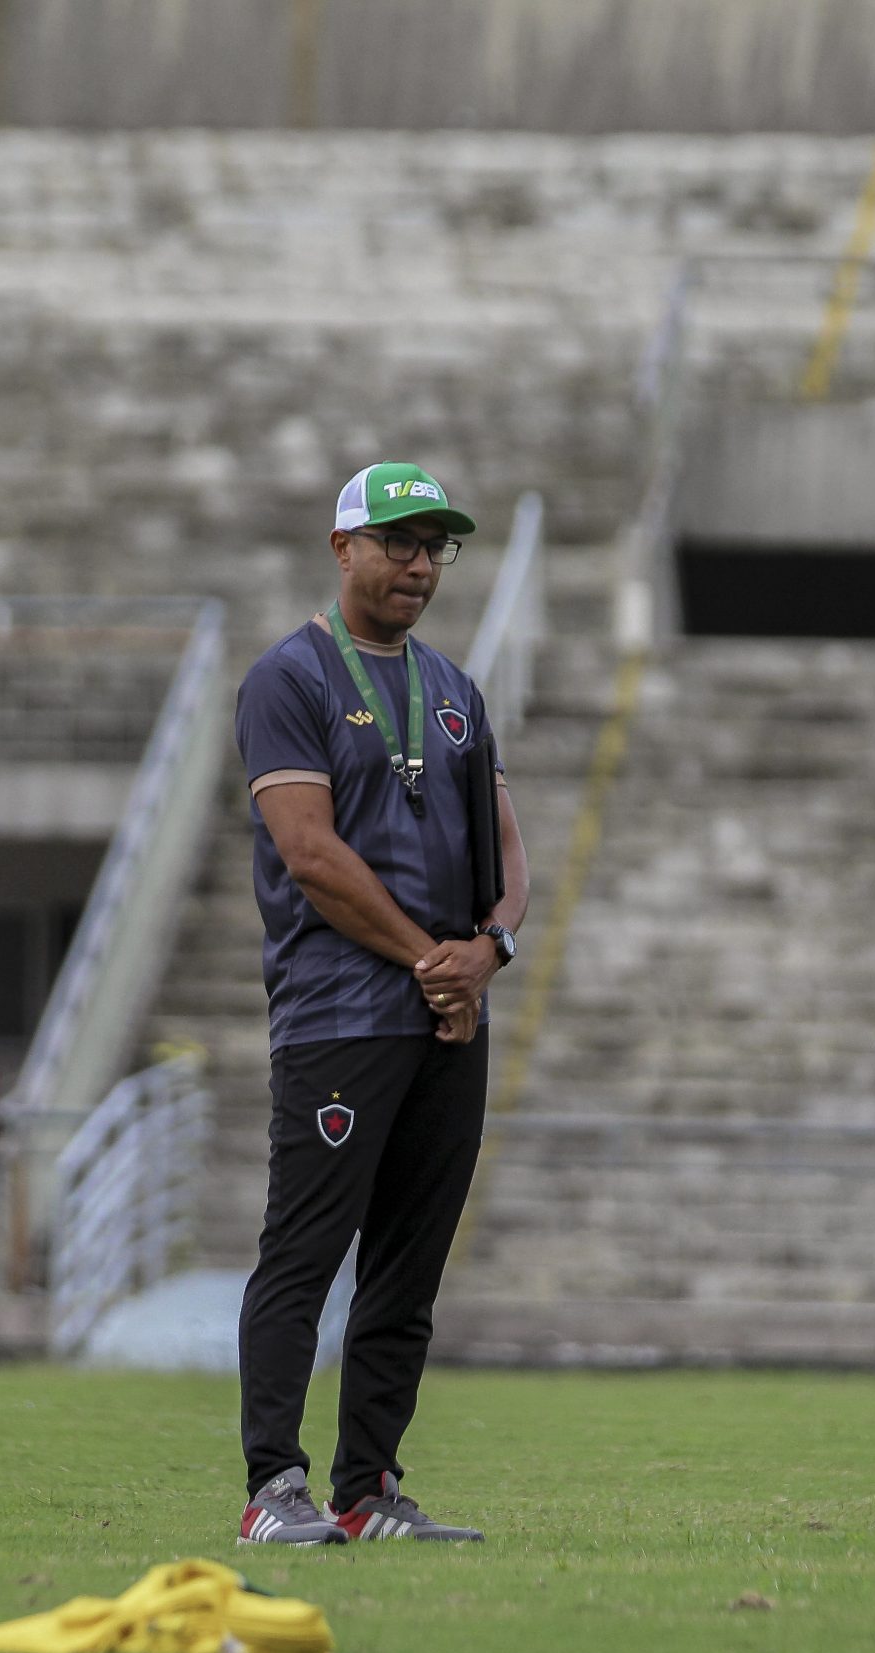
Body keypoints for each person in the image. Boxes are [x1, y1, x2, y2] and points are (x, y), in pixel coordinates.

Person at [230, 461, 529, 1545]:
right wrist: (428, 961)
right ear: (342, 548)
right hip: (340, 1017)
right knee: (305, 1256)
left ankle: (366, 1494)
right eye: (397, 541)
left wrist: (487, 951)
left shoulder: (456, 690)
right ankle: (273, 1490)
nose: (416, 563)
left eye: (434, 546)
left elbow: (507, 854)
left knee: (407, 1269)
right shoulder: (289, 679)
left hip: (448, 1021)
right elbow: (310, 854)